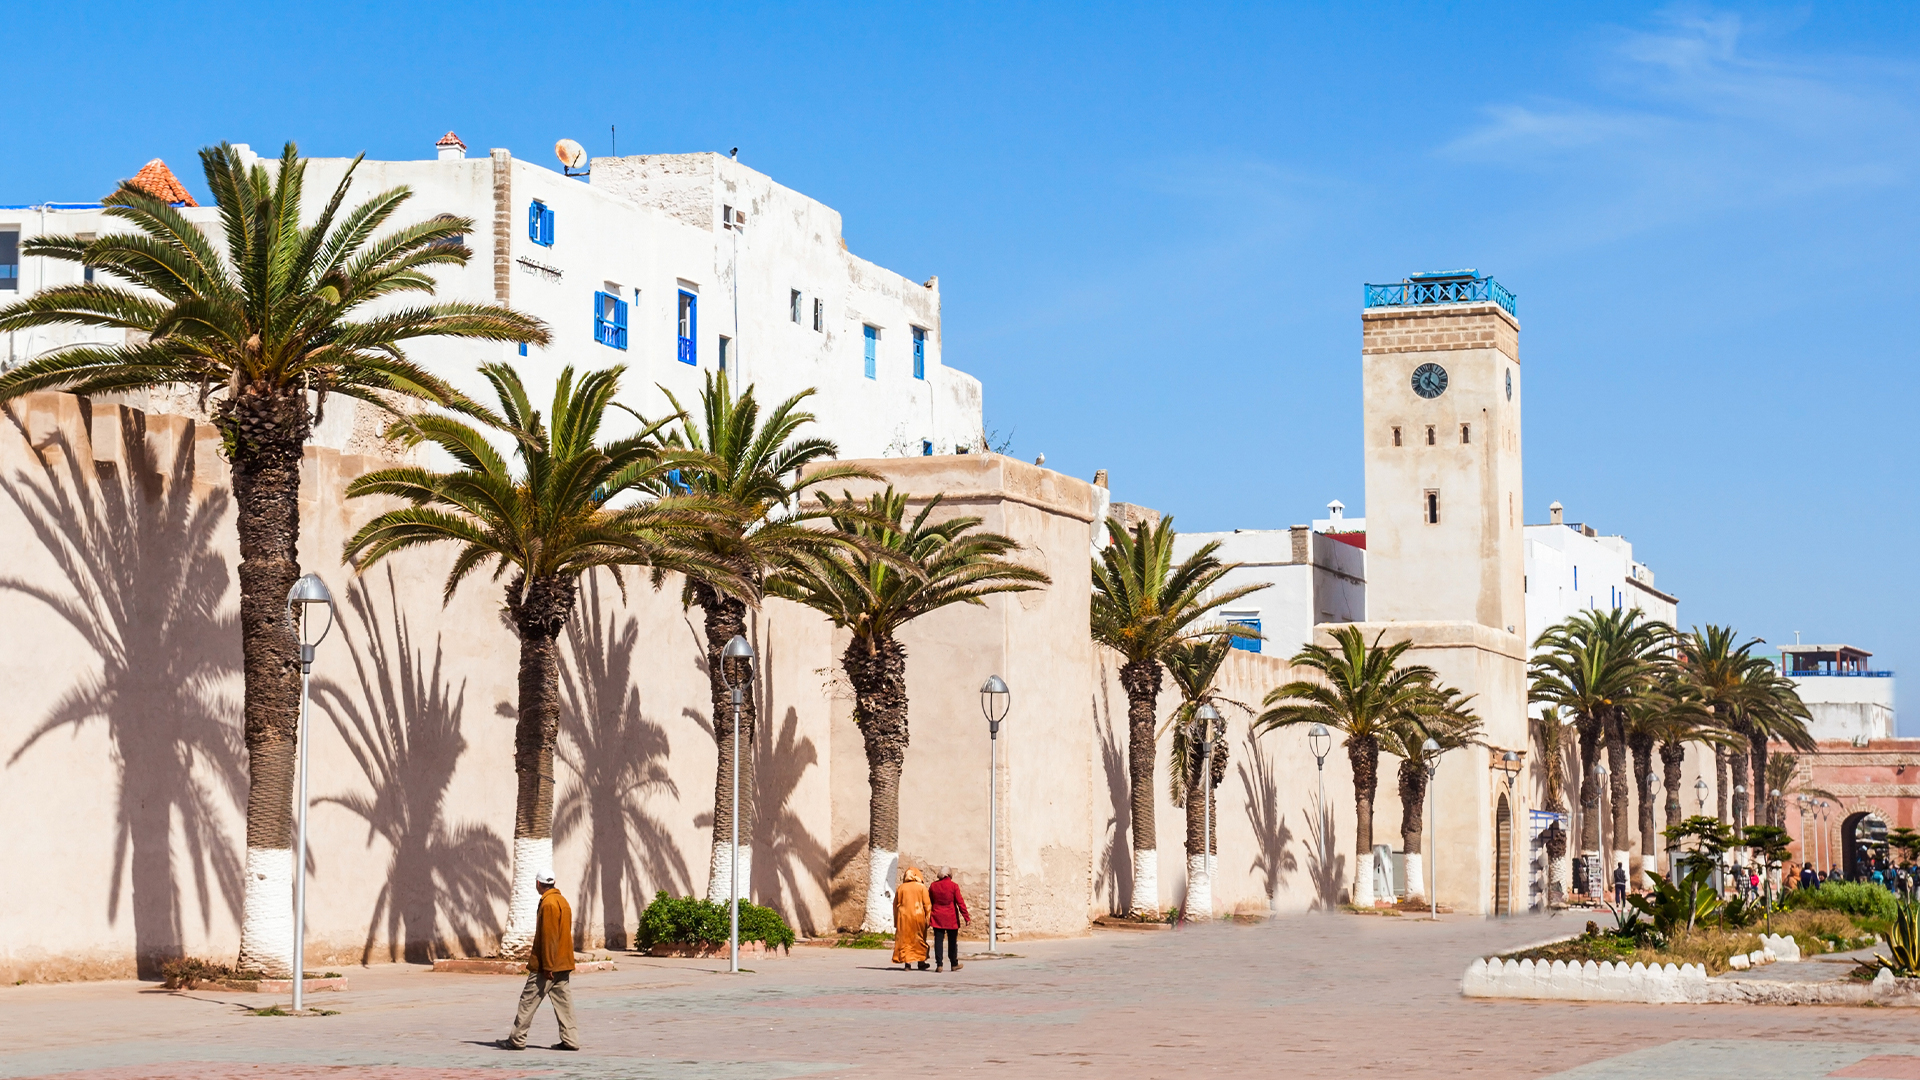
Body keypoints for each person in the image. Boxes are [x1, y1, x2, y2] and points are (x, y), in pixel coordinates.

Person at [500, 871, 579, 1052]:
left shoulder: (548, 903)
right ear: (553, 882)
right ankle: (571, 1039)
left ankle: (517, 1039)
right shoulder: (562, 901)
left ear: (538, 883)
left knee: (528, 1000)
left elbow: (549, 937)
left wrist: (548, 966)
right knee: (564, 1003)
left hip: (547, 965)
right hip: (563, 963)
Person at [927, 867, 970, 973]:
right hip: (951, 917)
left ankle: (939, 964)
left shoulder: (933, 886)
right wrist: (966, 917)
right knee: (952, 941)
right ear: (949, 875)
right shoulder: (954, 886)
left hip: (937, 916)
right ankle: (954, 963)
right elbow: (960, 902)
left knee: (938, 941)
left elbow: (929, 901)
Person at [892, 867, 932, 971]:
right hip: (918, 917)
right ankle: (921, 962)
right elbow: (927, 904)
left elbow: (895, 905)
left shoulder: (901, 888)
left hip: (904, 918)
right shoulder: (921, 887)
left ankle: (907, 964)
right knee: (919, 939)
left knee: (905, 940)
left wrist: (896, 921)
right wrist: (928, 918)